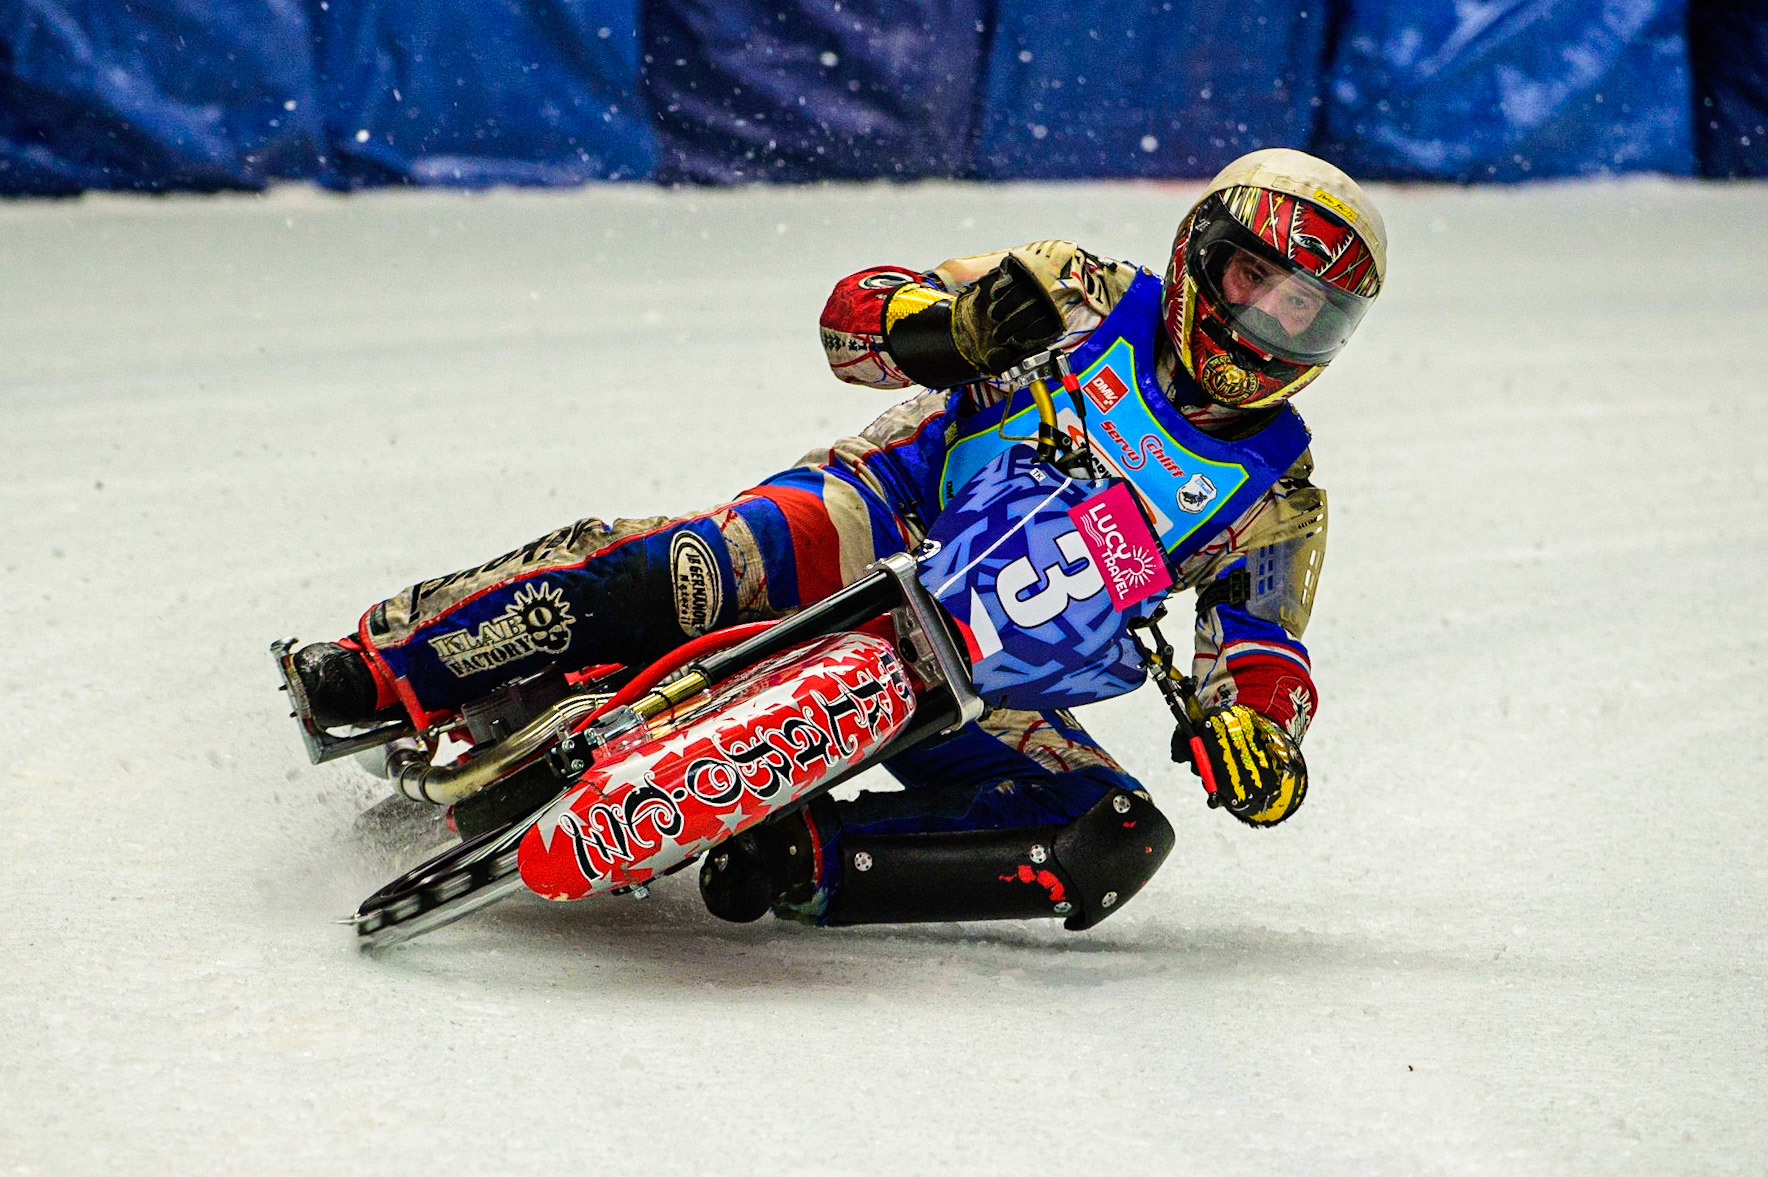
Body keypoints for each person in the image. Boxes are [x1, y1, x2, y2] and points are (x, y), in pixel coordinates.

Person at [290, 147, 1386, 929]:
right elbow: (853, 321)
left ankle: (801, 859)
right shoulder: (1078, 290)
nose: (1264, 325)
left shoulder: (1277, 498)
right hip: (882, 515)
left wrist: (1258, 746)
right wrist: (940, 327)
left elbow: (1261, 660)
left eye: (1304, 314)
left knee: (1110, 834)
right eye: (1255, 282)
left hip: (1003, 669)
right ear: (1203, 252)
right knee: (693, 567)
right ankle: (392, 667)